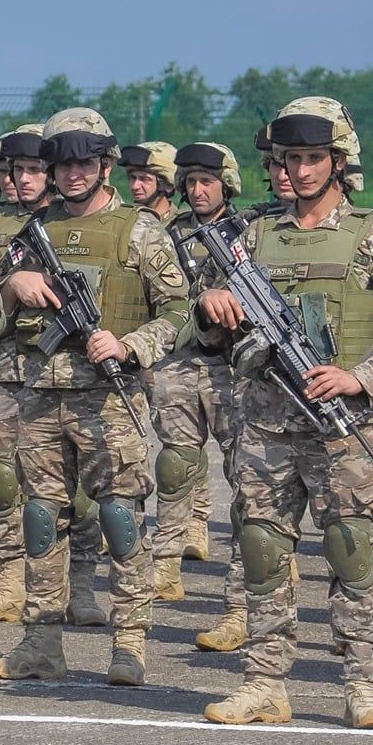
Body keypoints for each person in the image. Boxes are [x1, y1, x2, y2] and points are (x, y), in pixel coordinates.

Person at [197, 98, 373, 728]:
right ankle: (264, 683)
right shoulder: (253, 236)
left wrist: (359, 376)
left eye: (310, 159)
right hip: (267, 425)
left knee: (352, 551)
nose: (297, 171)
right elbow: (211, 330)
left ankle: (363, 685)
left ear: (337, 163)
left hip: (342, 429)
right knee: (263, 550)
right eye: (288, 160)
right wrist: (212, 306)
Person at [0, 107, 190, 687]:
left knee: (120, 517)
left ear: (104, 165)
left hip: (107, 397)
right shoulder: (34, 231)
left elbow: (180, 313)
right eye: (62, 163)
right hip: (38, 395)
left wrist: (129, 344)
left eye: (83, 162)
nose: (72, 173)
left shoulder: (140, 230)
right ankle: (41, 642)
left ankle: (130, 643)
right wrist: (12, 285)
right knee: (41, 518)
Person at [159, 143, 247, 649]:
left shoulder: (248, 234)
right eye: (190, 182)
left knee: (246, 479)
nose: (197, 190)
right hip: (182, 363)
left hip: (234, 369)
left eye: (206, 182)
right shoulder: (168, 235)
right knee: (175, 468)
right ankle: (166, 565)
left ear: (226, 184)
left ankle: (244, 590)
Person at [0, 124, 54, 625]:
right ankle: (8, 581)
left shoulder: (72, 223)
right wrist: (9, 285)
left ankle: (74, 588)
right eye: (13, 170)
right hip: (3, 363)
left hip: (65, 369)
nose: (19, 179)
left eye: (32, 169)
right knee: (0, 473)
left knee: (65, 485)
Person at [119, 142, 179, 222]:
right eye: (133, 177)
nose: (134, 186)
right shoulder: (123, 222)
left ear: (167, 185)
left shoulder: (183, 227)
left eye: (145, 179)